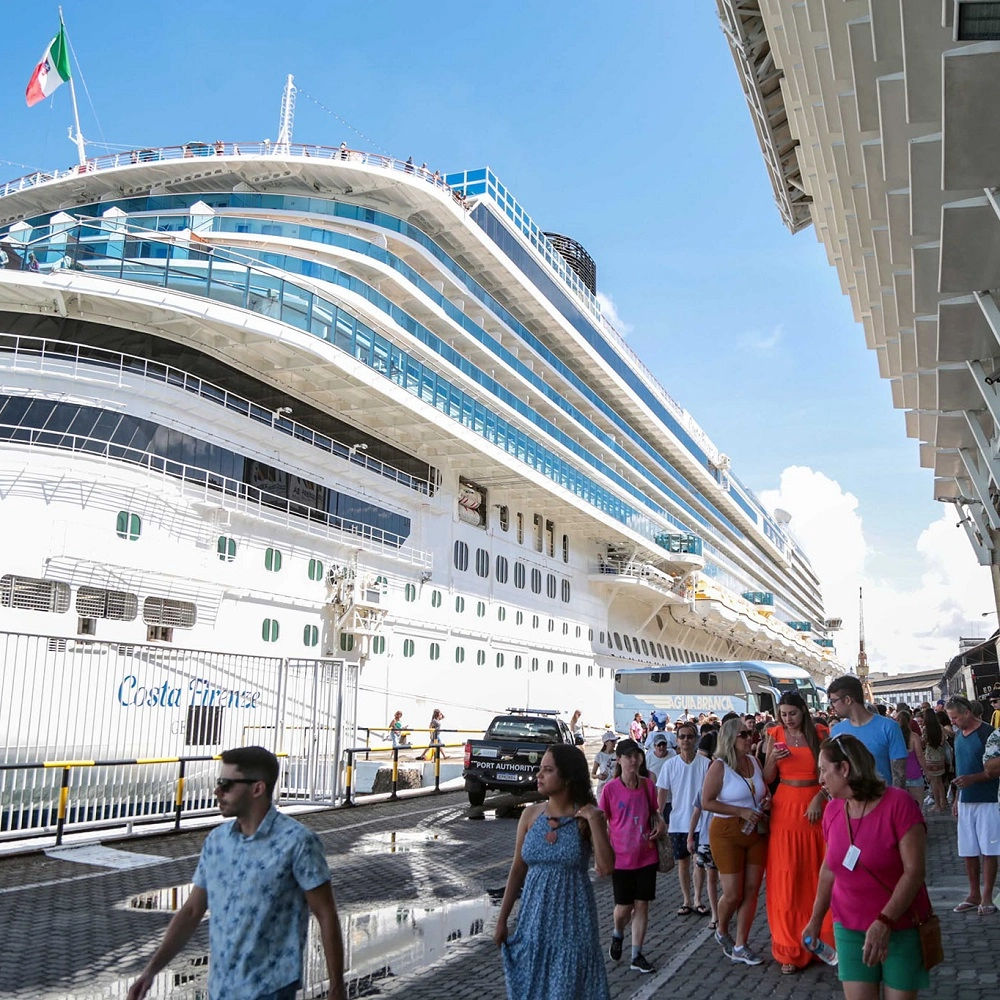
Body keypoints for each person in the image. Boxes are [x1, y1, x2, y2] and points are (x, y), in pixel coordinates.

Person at [126, 746, 345, 1000]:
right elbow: (192, 911)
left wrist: (337, 987)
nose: (217, 791)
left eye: (226, 784)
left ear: (257, 789)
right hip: (220, 988)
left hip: (270, 989)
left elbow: (326, 914)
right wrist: (150, 971)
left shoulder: (298, 842)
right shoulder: (217, 841)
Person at [804, 734, 932, 999]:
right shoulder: (833, 810)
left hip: (900, 926)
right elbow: (829, 869)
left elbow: (914, 872)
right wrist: (816, 919)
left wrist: (884, 921)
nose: (820, 779)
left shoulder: (900, 805)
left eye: (824, 770)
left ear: (845, 768)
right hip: (849, 926)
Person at [494, 744, 612, 1000]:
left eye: (548, 770)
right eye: (540, 769)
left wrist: (594, 820)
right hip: (533, 920)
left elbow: (606, 867)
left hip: (573, 921)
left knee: (567, 989)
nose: (540, 775)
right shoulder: (530, 815)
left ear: (567, 777)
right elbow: (517, 869)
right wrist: (502, 920)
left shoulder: (586, 817)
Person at [761, 692, 833, 974]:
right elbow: (767, 778)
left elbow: (832, 773)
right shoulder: (774, 734)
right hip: (786, 810)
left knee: (819, 875)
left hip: (816, 807)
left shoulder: (821, 733)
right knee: (788, 877)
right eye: (783, 713)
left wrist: (821, 796)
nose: (787, 719)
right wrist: (772, 760)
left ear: (803, 710)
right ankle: (790, 946)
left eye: (792, 713)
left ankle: (824, 941)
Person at [701, 716, 769, 966]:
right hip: (727, 832)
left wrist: (766, 801)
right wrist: (740, 811)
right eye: (743, 734)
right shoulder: (719, 766)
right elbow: (707, 801)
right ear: (730, 738)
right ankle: (722, 928)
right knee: (732, 894)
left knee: (752, 890)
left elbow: (763, 790)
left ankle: (741, 943)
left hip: (756, 830)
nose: (749, 737)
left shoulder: (753, 761)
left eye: (749, 733)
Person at [598, 739, 664, 974]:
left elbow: (655, 812)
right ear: (619, 759)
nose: (634, 760)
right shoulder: (610, 789)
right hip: (621, 859)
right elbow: (601, 823)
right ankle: (618, 933)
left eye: (637, 755)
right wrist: (601, 857)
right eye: (629, 756)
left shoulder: (648, 786)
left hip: (646, 854)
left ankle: (637, 954)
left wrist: (661, 824)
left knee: (642, 905)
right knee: (624, 908)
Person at [945, 695, 999, 914]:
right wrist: (957, 797)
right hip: (966, 800)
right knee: (968, 850)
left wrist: (972, 780)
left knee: (989, 849)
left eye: (955, 717)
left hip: (989, 800)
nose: (953, 722)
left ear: (967, 712)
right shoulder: (958, 736)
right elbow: (960, 770)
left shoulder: (989, 734)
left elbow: (994, 770)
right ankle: (973, 893)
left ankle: (986, 896)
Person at [656, 719, 711, 917]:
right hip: (678, 821)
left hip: (701, 822)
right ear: (677, 740)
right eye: (682, 737)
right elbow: (662, 791)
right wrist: (660, 816)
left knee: (699, 862)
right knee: (683, 863)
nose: (686, 740)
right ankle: (686, 900)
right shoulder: (670, 765)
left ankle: (698, 899)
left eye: (689, 736)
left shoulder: (706, 764)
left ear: (696, 739)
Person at [828, 676, 907, 788]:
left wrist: (895, 803)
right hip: (850, 802)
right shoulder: (836, 731)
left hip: (883, 800)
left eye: (833, 701)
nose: (832, 707)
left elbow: (899, 775)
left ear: (848, 700)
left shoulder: (889, 727)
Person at [896, 710, 928, 808]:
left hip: (899, 774)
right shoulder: (914, 736)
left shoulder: (895, 736)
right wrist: (927, 772)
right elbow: (919, 756)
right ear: (910, 720)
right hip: (914, 773)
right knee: (918, 804)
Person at [920, 708, 948, 812]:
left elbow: (924, 741)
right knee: (940, 780)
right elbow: (943, 741)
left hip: (930, 756)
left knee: (933, 782)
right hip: (940, 756)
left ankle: (937, 804)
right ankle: (943, 801)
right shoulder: (940, 727)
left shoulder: (925, 729)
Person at [591, 730, 617, 795]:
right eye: (612, 741)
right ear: (606, 743)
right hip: (602, 788)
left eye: (615, 741)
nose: (614, 743)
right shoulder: (599, 755)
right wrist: (598, 776)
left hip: (615, 787)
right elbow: (592, 774)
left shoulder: (618, 754)